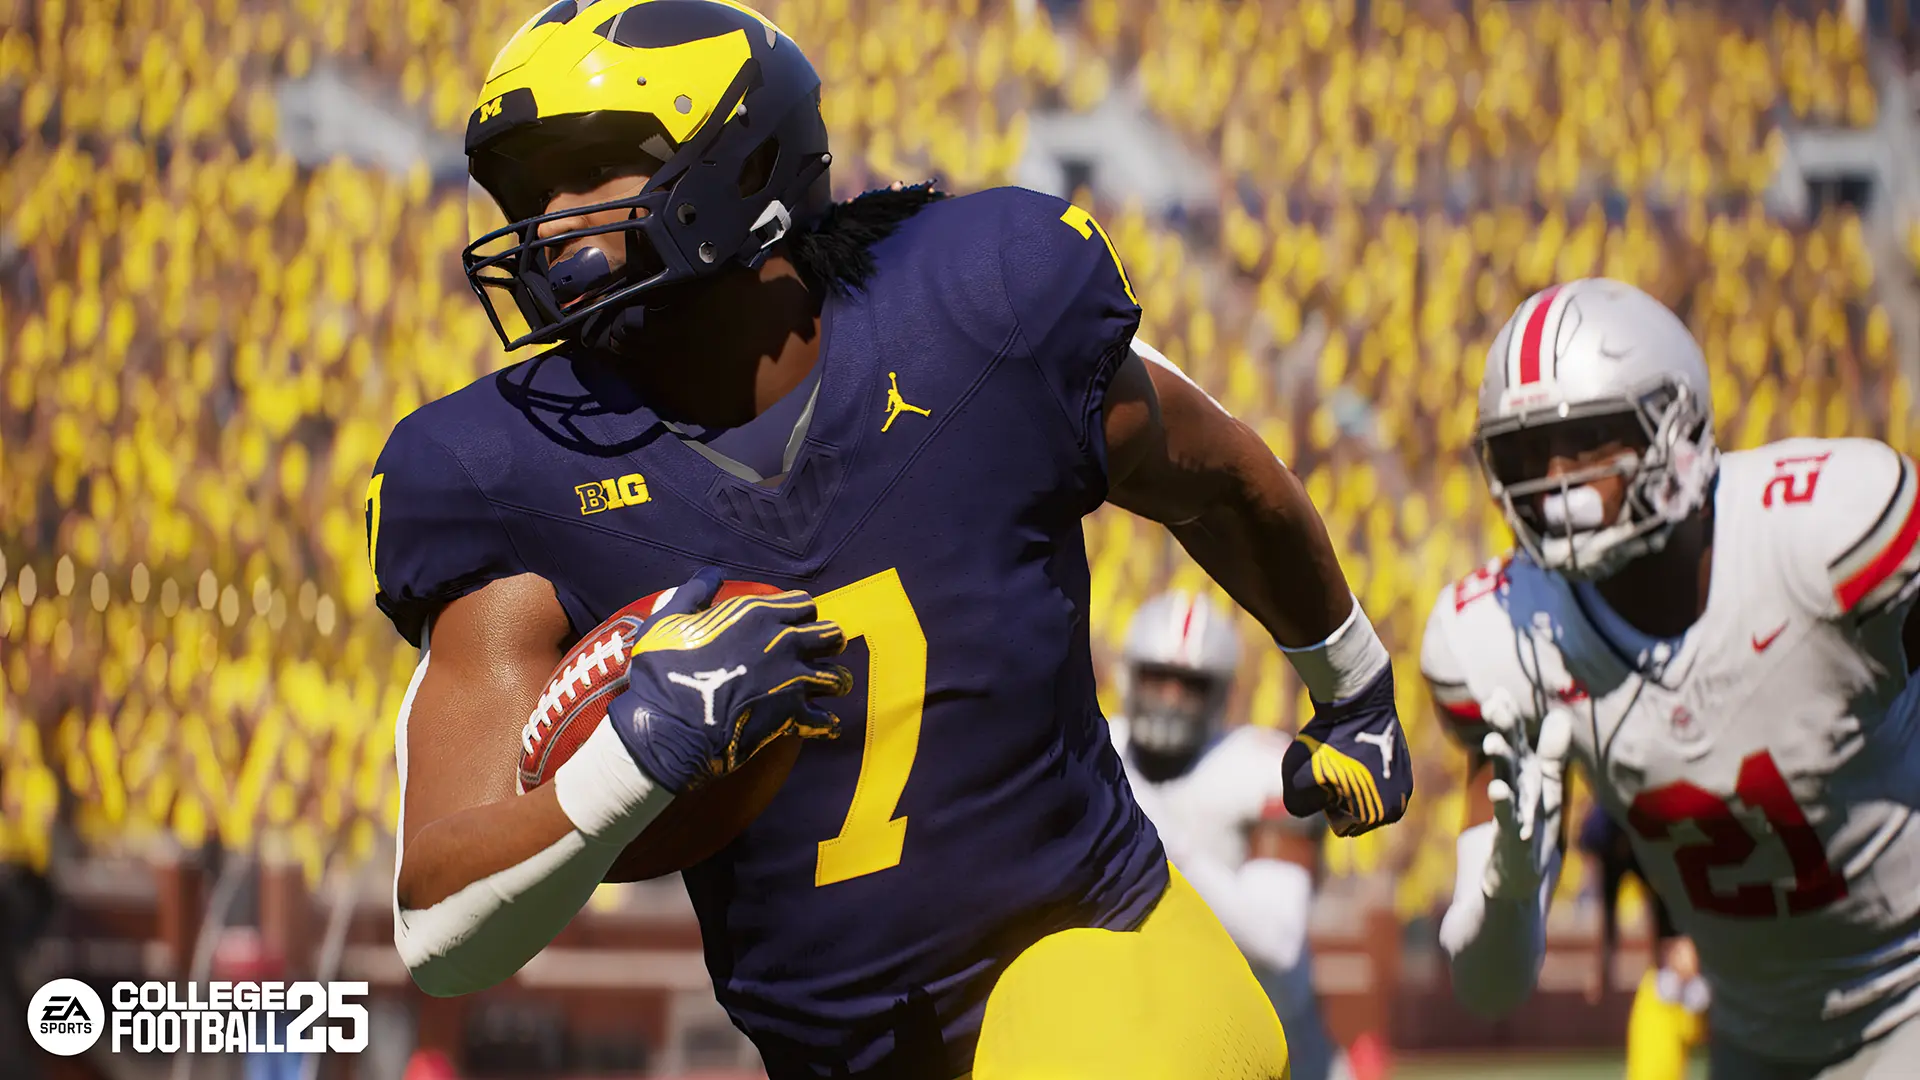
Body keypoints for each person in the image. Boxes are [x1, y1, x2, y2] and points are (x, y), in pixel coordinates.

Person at [371, 2, 1412, 1078]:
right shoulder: (511, 468)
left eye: (590, 170)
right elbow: (440, 936)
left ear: (743, 160)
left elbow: (1220, 477)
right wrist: (640, 754)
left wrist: (1354, 687)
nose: (551, 221)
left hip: (1105, 957)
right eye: (527, 190)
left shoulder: (978, 309)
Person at [1423, 277, 1920, 1079]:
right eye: (1522, 455)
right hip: (1752, 1037)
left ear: (1678, 430)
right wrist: (1508, 892)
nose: (1553, 486)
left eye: (1585, 442)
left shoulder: (1830, 535)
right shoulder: (1500, 634)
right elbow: (1489, 989)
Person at [1110, 590, 1356, 1080]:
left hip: (1281, 1054)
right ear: (1129, 678)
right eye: (1158, 679)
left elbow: (1277, 942)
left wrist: (1156, 836)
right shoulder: (1096, 749)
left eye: (1190, 685)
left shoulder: (1259, 768)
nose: (1170, 699)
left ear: (1220, 694)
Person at [1576, 806, 1707, 1080]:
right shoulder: (1619, 851)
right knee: (1661, 1001)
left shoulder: (1667, 841)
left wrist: (1695, 943)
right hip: (1679, 961)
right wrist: (1602, 966)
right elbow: (1610, 907)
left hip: (1711, 942)